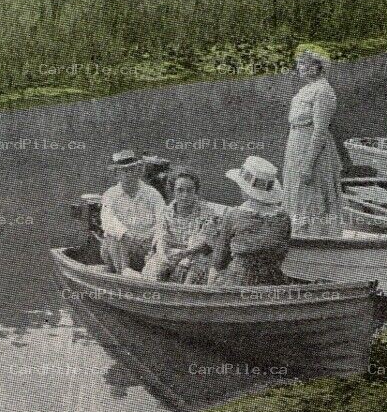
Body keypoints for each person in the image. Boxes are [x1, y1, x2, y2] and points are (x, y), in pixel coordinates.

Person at [282, 44, 343, 237]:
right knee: (296, 192)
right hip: (296, 148)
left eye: (303, 63)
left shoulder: (323, 91)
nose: (299, 67)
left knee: (311, 195)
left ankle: (314, 236)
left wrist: (308, 164)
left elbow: (320, 131)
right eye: (299, 63)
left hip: (313, 153)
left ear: (316, 66)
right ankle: (296, 233)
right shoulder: (307, 89)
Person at [212, 156, 293, 286]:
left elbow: (219, 262)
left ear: (244, 188)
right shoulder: (284, 218)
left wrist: (213, 240)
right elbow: (282, 254)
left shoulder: (233, 215)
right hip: (272, 282)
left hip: (238, 282)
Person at [145, 167, 222, 284]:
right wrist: (162, 256)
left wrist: (184, 254)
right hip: (170, 253)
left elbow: (206, 243)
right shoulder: (166, 212)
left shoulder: (208, 213)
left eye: (189, 190)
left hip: (194, 256)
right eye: (180, 190)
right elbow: (160, 237)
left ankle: (185, 292)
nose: (185, 195)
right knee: (155, 266)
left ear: (195, 191)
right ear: (173, 191)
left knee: (197, 265)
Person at [98, 150, 164, 274]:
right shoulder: (110, 195)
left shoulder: (153, 194)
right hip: (121, 247)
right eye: (125, 171)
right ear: (117, 174)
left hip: (146, 246)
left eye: (132, 169)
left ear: (138, 171)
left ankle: (143, 273)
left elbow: (163, 220)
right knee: (113, 236)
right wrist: (126, 234)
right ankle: (124, 273)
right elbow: (107, 220)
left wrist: (150, 236)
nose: (129, 174)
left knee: (161, 242)